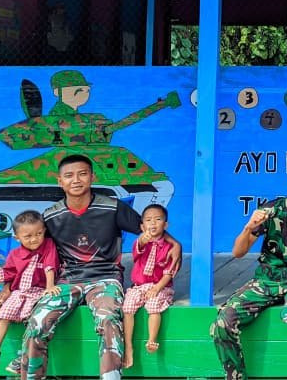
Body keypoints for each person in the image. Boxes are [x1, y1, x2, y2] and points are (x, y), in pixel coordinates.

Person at [16, 153, 181, 380]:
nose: (76, 180)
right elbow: (30, 255)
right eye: (69, 176)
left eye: (82, 174)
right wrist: (8, 288)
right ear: (60, 181)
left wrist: (175, 243)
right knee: (37, 321)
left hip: (106, 278)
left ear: (92, 177)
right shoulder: (51, 216)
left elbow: (149, 229)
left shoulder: (112, 207)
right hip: (67, 280)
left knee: (108, 319)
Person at [212, 161, 287, 380]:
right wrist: (248, 227)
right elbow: (238, 252)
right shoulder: (271, 210)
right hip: (266, 279)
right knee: (223, 321)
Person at [0, 210, 60, 373]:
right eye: (28, 236)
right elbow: (9, 273)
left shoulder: (48, 245)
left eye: (39, 234)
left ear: (44, 231)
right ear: (17, 238)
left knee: (33, 318)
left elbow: (50, 265)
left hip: (39, 291)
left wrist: (49, 286)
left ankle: (25, 356)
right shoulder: (15, 254)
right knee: (4, 313)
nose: (34, 239)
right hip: (19, 292)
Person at [122, 204, 175, 369]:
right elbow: (138, 247)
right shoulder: (140, 243)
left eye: (158, 219)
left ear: (165, 225)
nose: (153, 223)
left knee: (153, 306)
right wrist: (142, 240)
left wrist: (156, 288)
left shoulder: (170, 247)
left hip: (160, 286)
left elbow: (168, 273)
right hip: (139, 286)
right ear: (142, 226)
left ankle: (152, 340)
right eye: (148, 220)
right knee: (127, 307)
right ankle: (128, 346)